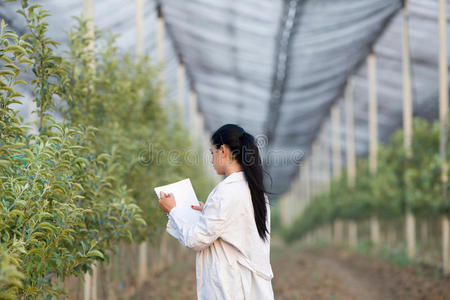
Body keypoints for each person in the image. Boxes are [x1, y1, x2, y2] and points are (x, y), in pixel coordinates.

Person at [158, 124, 274, 300]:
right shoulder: (256, 192)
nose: (211, 160)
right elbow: (238, 224)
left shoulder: (226, 191)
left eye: (212, 153)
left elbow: (196, 240)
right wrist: (208, 211)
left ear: (224, 150)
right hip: (252, 287)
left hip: (231, 287)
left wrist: (173, 211)